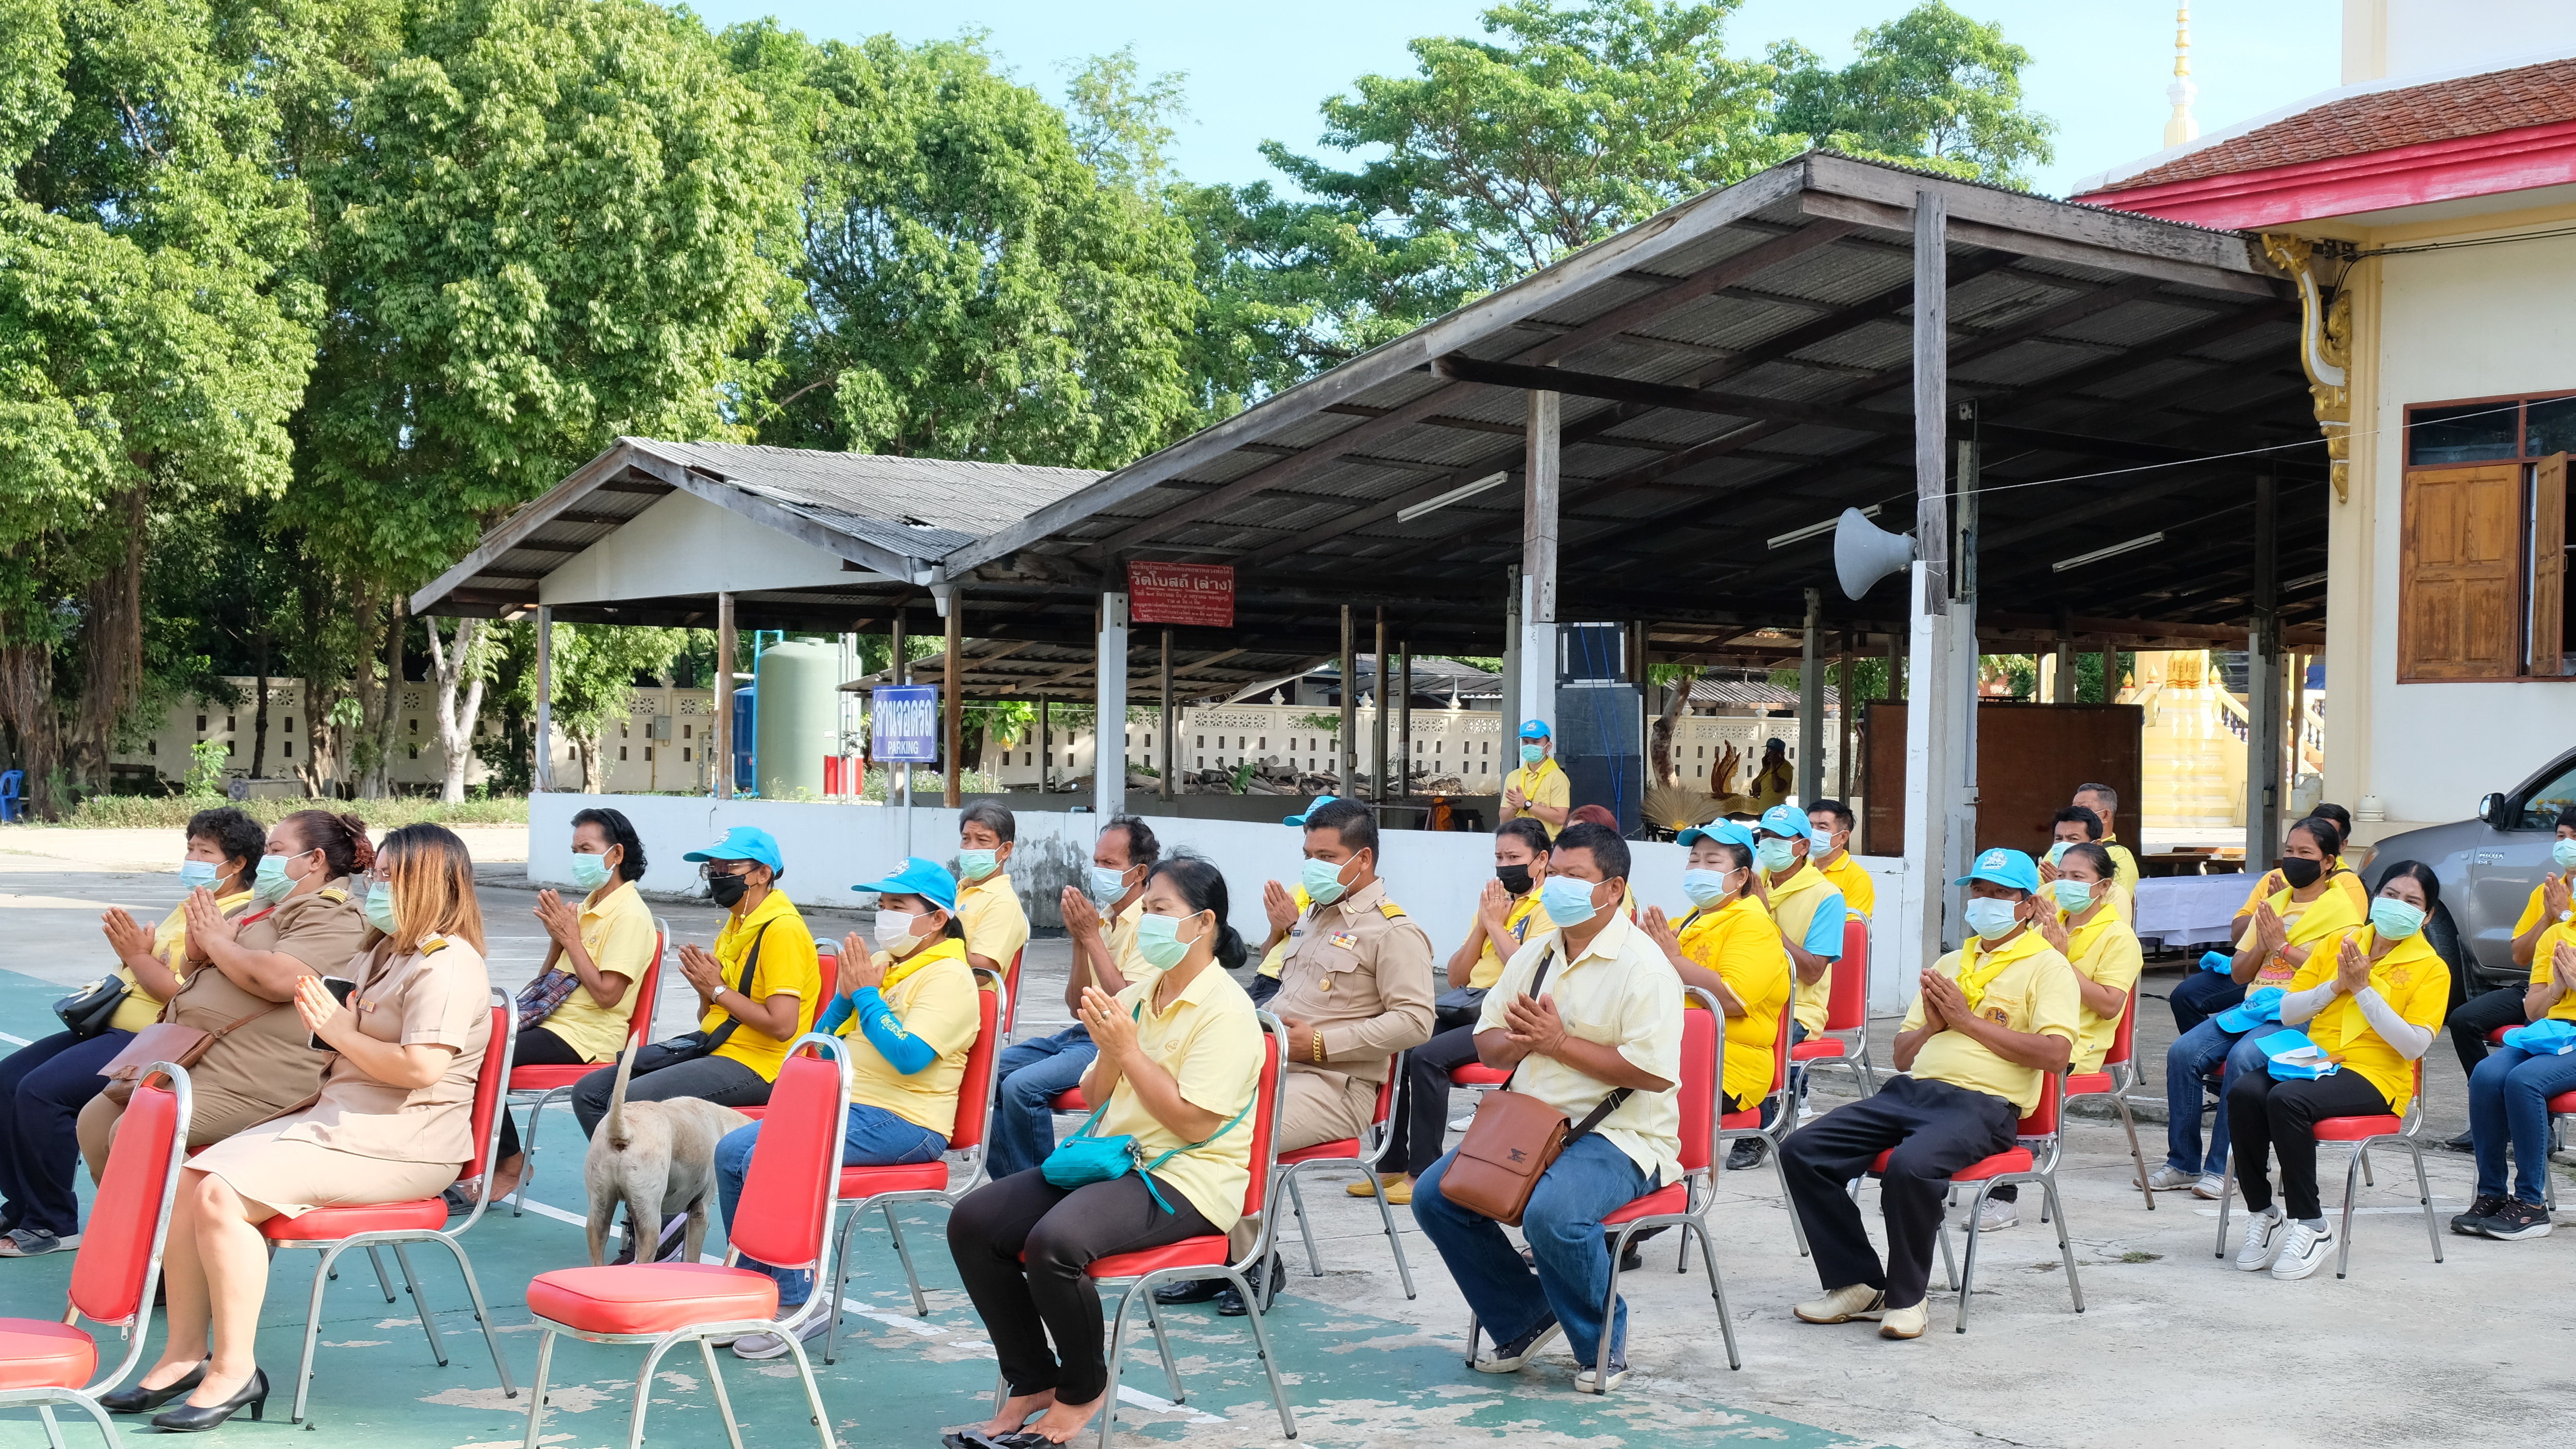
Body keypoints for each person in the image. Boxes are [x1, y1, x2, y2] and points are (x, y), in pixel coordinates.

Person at [107, 824, 494, 1430]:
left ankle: (234, 1370)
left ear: (426, 884)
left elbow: (420, 1068)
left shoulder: (448, 964)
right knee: (188, 1177)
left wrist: (339, 1031)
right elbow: (326, 1029)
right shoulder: (382, 951)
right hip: (343, 1117)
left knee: (219, 1192)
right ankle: (183, 1355)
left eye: (390, 877)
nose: (376, 885)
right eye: (377, 873)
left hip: (405, 1138)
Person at [947, 856, 1261, 1447]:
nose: (1146, 920)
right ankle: (1033, 1378)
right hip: (1115, 1158)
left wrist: (1130, 1050)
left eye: (1160, 909)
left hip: (1188, 1178)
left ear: (1203, 922)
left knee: (1055, 1242)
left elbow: (1194, 1126)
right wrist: (1114, 1049)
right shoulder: (1142, 993)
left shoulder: (1227, 1010)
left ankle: (1081, 1387)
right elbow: (1091, 1093)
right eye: (1146, 909)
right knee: (973, 1220)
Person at [1411, 821, 1682, 1392]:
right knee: (1435, 1196)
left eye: (1573, 876)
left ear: (1611, 889)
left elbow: (1653, 1074)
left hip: (1620, 1133)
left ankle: (1600, 1339)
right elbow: (1487, 1044)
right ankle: (1525, 1314)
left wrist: (1559, 1043)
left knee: (1552, 1213)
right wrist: (1520, 1039)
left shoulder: (1644, 966)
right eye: (1552, 873)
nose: (1556, 885)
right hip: (1532, 1123)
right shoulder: (1535, 953)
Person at [1781, 848, 2077, 1340]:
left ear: (2027, 905)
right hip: (1913, 1091)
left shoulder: (2048, 966)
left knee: (1911, 1166)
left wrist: (1965, 1022)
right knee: (1802, 1150)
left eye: (2000, 894)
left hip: (1984, 1104)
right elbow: (1901, 1053)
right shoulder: (1949, 962)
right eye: (1978, 891)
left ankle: (1907, 1297)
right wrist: (1935, 1027)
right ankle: (1857, 1283)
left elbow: (2054, 1055)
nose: (1985, 902)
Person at [1163, 796, 1433, 1315]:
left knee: (1229, 1130)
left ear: (1364, 860)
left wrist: (1321, 1043)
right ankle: (1215, 1260)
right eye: (1308, 853)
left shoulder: (1393, 931)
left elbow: (1415, 1021)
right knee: (1180, 1115)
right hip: (1272, 1064)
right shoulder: (1312, 916)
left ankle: (1256, 1260)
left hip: (1336, 1086)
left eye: (1327, 856)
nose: (1313, 865)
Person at [716, 858, 980, 1359]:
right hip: (848, 1106)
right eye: (881, 904)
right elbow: (817, 1045)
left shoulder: (949, 978)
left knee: (773, 1159)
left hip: (907, 1121)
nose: (885, 915)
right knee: (732, 1151)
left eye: (898, 905)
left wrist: (866, 996)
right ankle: (756, 1289)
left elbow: (909, 1056)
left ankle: (800, 1299)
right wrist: (845, 999)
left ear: (937, 918)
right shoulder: (887, 964)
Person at [0, 806, 262, 1257]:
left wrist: (139, 957)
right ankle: (24, 1202)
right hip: (113, 1025)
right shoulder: (194, 903)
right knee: (7, 1081)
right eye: (190, 847)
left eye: (206, 850)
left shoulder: (237, 917)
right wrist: (139, 958)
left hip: (152, 1038)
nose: (193, 857)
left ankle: (52, 1222)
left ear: (237, 864)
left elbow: (185, 995)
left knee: (43, 1093)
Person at [75, 810, 374, 1186]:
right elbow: (195, 969)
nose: (267, 860)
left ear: (315, 859)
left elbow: (277, 979)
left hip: (258, 1077)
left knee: (138, 1130)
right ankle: (127, 1232)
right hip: (198, 1058)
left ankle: (165, 1240)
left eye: (277, 850)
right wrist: (199, 951)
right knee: (94, 1119)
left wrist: (216, 941)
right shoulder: (261, 905)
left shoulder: (335, 914)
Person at [2227, 863, 2449, 1280]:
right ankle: (2264, 1211)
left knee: (2286, 1098)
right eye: (2390, 894)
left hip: (2377, 1075)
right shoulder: (2338, 944)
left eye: (2412, 901)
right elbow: (2290, 1011)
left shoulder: (2431, 967)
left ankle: (2312, 1223)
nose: (2397, 905)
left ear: (2428, 914)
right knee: (2245, 1091)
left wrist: (2364, 990)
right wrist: (2337, 986)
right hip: (2318, 1060)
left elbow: (2414, 1044)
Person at [2150, 817, 2364, 1197]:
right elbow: (2238, 972)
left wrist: (2281, 945)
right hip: (2254, 1006)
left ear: (2328, 861)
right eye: (2289, 851)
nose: (2293, 859)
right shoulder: (2274, 903)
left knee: (2244, 1057)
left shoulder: (2343, 914)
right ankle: (2182, 1162)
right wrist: (2264, 944)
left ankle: (2226, 1168)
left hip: (2301, 1013)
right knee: (2183, 1052)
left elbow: (2330, 979)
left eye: (2305, 853)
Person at [1352, 819, 1552, 1211]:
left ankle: (1423, 1172)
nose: (1503, 864)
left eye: (1514, 857)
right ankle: (1391, 1162)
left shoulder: (1547, 907)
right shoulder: (1495, 901)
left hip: (1510, 1014)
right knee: (1399, 1045)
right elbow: (1459, 975)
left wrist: (1495, 924)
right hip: (1470, 1003)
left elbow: (1529, 972)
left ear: (1541, 859)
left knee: (1428, 1057)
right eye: (1498, 856)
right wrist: (1484, 923)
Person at [569, 824, 818, 1138]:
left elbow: (783, 1027)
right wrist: (706, 992)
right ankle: (632, 1178)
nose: (717, 875)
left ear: (763, 874)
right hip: (716, 1045)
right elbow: (710, 1019)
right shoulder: (738, 924)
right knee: (590, 1093)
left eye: (728, 867)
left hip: (760, 1064)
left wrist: (716, 988)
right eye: (711, 868)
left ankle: (651, 1182)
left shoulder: (782, 930)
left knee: (631, 1100)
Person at [488, 807, 656, 1202]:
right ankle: (486, 1160)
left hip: (587, 1035)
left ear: (615, 855)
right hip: (555, 1022)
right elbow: (547, 982)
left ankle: (510, 1162)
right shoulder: (585, 908)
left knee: (483, 1053)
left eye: (586, 849)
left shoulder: (630, 916)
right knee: (470, 1037)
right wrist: (558, 940)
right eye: (574, 849)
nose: (578, 858)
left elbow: (607, 995)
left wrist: (573, 939)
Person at [1976, 842, 2142, 1231]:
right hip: (2026, 1024)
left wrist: (2062, 960)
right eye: (2062, 875)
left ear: (2102, 887)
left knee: (2013, 1072)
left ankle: (2004, 1193)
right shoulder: (2048, 923)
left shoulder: (2118, 936)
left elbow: (2108, 1005)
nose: (2066, 884)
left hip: (2076, 1042)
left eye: (2078, 878)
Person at [986, 817, 1158, 1180]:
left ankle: (1038, 1190)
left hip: (1113, 1039)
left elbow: (1128, 1005)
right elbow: (1075, 1005)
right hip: (1082, 1032)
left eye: (1110, 864)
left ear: (1139, 871)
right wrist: (1081, 941)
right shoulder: (1105, 918)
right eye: (1096, 862)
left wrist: (1092, 937)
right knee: (990, 1073)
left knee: (1021, 1087)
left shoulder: (1149, 921)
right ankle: (1012, 1186)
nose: (1099, 871)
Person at [1638, 822, 1789, 1172]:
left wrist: (1673, 959)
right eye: (1694, 860)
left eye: (1712, 862)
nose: (1699, 870)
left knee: (1623, 1102)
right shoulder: (1689, 921)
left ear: (1740, 878)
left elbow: (1733, 999)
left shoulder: (1753, 925)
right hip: (1672, 1053)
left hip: (1726, 1066)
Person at [2450, 807, 2576, 1147]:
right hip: (2538, 984)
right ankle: (2492, 1114)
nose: (2567, 845)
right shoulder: (2546, 892)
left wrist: (2565, 914)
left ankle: (2538, 1125)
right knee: (2463, 1019)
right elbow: (2520, 955)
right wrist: (2549, 917)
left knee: (2534, 1057)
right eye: (2561, 836)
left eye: (2575, 838)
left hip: (2569, 999)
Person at [2453, 908, 2576, 1240]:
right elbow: (2533, 1011)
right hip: (2554, 1031)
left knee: (2524, 1082)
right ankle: (2492, 1193)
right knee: (2486, 1074)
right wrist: (2559, 987)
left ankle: (2531, 1204)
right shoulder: (2558, 936)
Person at [1757, 804, 1846, 1123]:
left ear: (1803, 846)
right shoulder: (1750, 883)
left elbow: (1812, 972)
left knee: (1761, 1037)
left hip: (1798, 1006)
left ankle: (1767, 1124)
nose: (1769, 843)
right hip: (1748, 994)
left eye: (1780, 838)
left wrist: (1764, 918)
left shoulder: (1827, 896)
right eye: (1765, 836)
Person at [955, 800, 1032, 981]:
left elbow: (983, 974)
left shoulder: (1002, 902)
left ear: (1005, 850)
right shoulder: (954, 891)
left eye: (982, 840)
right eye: (966, 839)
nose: (971, 847)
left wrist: (939, 940)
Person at [2037, 806, 2131, 922]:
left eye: (2073, 839)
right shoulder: (2044, 892)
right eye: (2059, 838)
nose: (2063, 844)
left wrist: (2051, 925)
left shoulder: (2115, 894)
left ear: (2096, 845)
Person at [1805, 800, 1874, 919]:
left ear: (1843, 837)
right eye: (1810, 826)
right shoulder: (1802, 870)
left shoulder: (1857, 878)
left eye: (1822, 827)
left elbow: (1851, 928)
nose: (1813, 833)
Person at [1499, 720, 1570, 837]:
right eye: (1526, 742)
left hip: (1546, 844)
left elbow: (1560, 818)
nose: (1530, 746)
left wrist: (1527, 804)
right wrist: (1514, 806)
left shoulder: (1557, 777)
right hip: (1518, 841)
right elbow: (1504, 819)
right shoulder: (1513, 776)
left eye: (1536, 742)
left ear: (1549, 746)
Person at [2070, 783, 2140, 898]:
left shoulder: (2120, 856)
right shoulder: (2058, 849)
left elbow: (2116, 902)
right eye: (2073, 810)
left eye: (2084, 810)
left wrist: (2058, 887)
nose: (2075, 815)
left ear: (2105, 816)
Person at [1749, 739, 1794, 812]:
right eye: (1767, 752)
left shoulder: (1786, 767)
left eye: (1771, 752)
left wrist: (1773, 766)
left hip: (1777, 812)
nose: (1768, 755)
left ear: (1781, 754)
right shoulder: (1768, 768)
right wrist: (1764, 769)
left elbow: (1777, 788)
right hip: (1763, 811)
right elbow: (1755, 787)